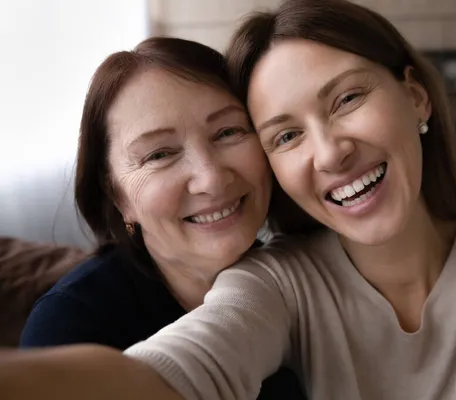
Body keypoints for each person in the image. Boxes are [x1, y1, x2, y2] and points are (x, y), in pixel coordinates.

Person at [1, 1, 456, 399]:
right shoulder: (277, 284)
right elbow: (175, 369)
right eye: (286, 134)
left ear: (416, 97)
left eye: (346, 99)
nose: (330, 153)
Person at [16, 36, 304, 399]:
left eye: (228, 132)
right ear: (117, 196)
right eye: (158, 155)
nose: (211, 178)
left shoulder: (304, 276)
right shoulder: (68, 326)